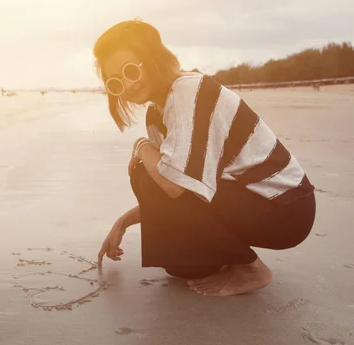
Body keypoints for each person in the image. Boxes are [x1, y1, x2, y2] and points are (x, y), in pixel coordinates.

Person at [94, 20, 316, 296]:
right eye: (116, 81)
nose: (126, 84)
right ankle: (227, 257)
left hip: (286, 209)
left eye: (130, 70)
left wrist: (140, 145)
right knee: (181, 267)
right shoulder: (158, 112)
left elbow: (173, 186)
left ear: (152, 58)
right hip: (251, 202)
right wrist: (122, 223)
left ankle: (252, 270)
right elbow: (174, 187)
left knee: (144, 171)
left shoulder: (190, 90)